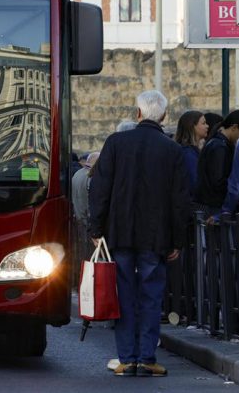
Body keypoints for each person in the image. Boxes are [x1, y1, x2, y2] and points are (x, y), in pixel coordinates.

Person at [88, 90, 189, 377]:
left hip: (119, 234)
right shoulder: (172, 150)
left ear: (138, 113)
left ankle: (126, 358)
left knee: (123, 296)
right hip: (156, 237)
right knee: (150, 296)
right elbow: (179, 200)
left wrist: (96, 229)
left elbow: (100, 189)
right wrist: (178, 240)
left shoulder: (116, 143)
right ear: (164, 116)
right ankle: (146, 357)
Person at [197, 110, 239, 224]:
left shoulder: (216, 142)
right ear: (234, 127)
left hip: (211, 204)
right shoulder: (220, 147)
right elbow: (218, 180)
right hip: (215, 207)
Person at [174, 111, 208, 197]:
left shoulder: (189, 150)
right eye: (203, 123)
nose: (207, 126)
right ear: (193, 126)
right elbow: (195, 184)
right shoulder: (188, 153)